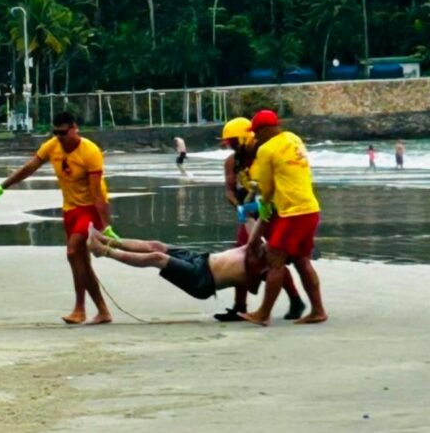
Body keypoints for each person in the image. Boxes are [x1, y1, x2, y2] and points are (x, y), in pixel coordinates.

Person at [0, 112, 118, 325]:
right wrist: (2, 186)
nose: (59, 137)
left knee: (73, 251)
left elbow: (97, 193)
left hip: (90, 208)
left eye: (63, 132)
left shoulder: (90, 151)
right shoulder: (52, 146)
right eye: (55, 132)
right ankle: (102, 311)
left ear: (74, 128)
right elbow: (30, 167)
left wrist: (106, 224)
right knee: (81, 260)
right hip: (70, 209)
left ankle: (80, 308)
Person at [242, 110, 327, 326]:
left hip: (293, 212)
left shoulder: (266, 149)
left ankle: (263, 314)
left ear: (265, 130)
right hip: (311, 208)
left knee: (275, 259)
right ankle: (318, 310)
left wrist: (261, 208)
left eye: (257, 132)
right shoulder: (294, 138)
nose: (256, 137)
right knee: (301, 260)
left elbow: (266, 189)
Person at [216, 118, 304, 322]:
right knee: (242, 257)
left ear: (246, 138)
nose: (232, 147)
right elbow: (229, 189)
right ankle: (240, 306)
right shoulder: (232, 161)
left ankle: (296, 300)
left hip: (271, 213)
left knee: (274, 258)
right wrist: (238, 205)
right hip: (248, 214)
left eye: (234, 142)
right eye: (229, 144)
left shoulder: (265, 154)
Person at [86, 222, 279, 311]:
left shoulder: (260, 264)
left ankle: (104, 251)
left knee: (157, 257)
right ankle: (105, 240)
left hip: (203, 280)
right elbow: (251, 220)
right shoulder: (256, 246)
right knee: (157, 245)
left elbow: (253, 287)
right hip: (201, 259)